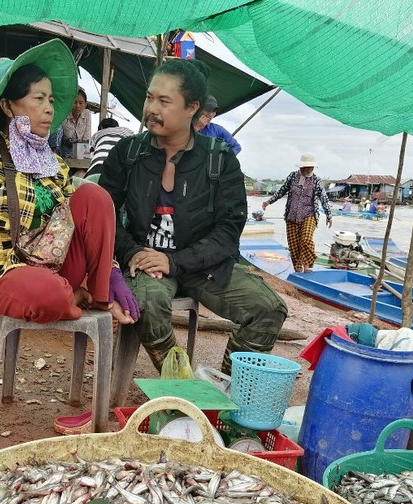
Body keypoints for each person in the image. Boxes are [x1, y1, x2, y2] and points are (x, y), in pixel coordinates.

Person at [0, 39, 139, 326]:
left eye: (52, 100)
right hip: (2, 272)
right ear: (7, 106)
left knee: (94, 196)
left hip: (53, 265)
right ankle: (69, 297)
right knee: (50, 294)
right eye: (38, 98)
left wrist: (111, 270)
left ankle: (98, 293)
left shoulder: (52, 161)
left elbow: (86, 221)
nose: (49, 109)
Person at [99, 58, 287, 374]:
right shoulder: (128, 153)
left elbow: (229, 230)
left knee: (267, 308)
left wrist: (176, 261)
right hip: (146, 265)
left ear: (192, 108)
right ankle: (182, 386)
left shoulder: (220, 159)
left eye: (164, 101)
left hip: (204, 266)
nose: (151, 108)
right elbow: (104, 216)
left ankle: (227, 388)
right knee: (148, 303)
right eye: (149, 97)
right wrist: (131, 251)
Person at [262, 153, 332, 273]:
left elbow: (324, 198)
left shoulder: (317, 181)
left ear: (312, 168)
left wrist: (329, 215)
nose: (305, 169)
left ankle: (308, 266)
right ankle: (298, 271)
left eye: (308, 167)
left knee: (306, 239)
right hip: (291, 216)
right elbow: (281, 191)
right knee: (294, 247)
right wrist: (268, 202)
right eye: (303, 167)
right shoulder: (292, 176)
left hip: (309, 215)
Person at [61, 87, 92, 158]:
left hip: (81, 148)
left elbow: (87, 137)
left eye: (81, 103)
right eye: (75, 102)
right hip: (65, 148)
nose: (77, 106)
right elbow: (65, 136)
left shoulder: (87, 114)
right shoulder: (64, 114)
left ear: (85, 104)